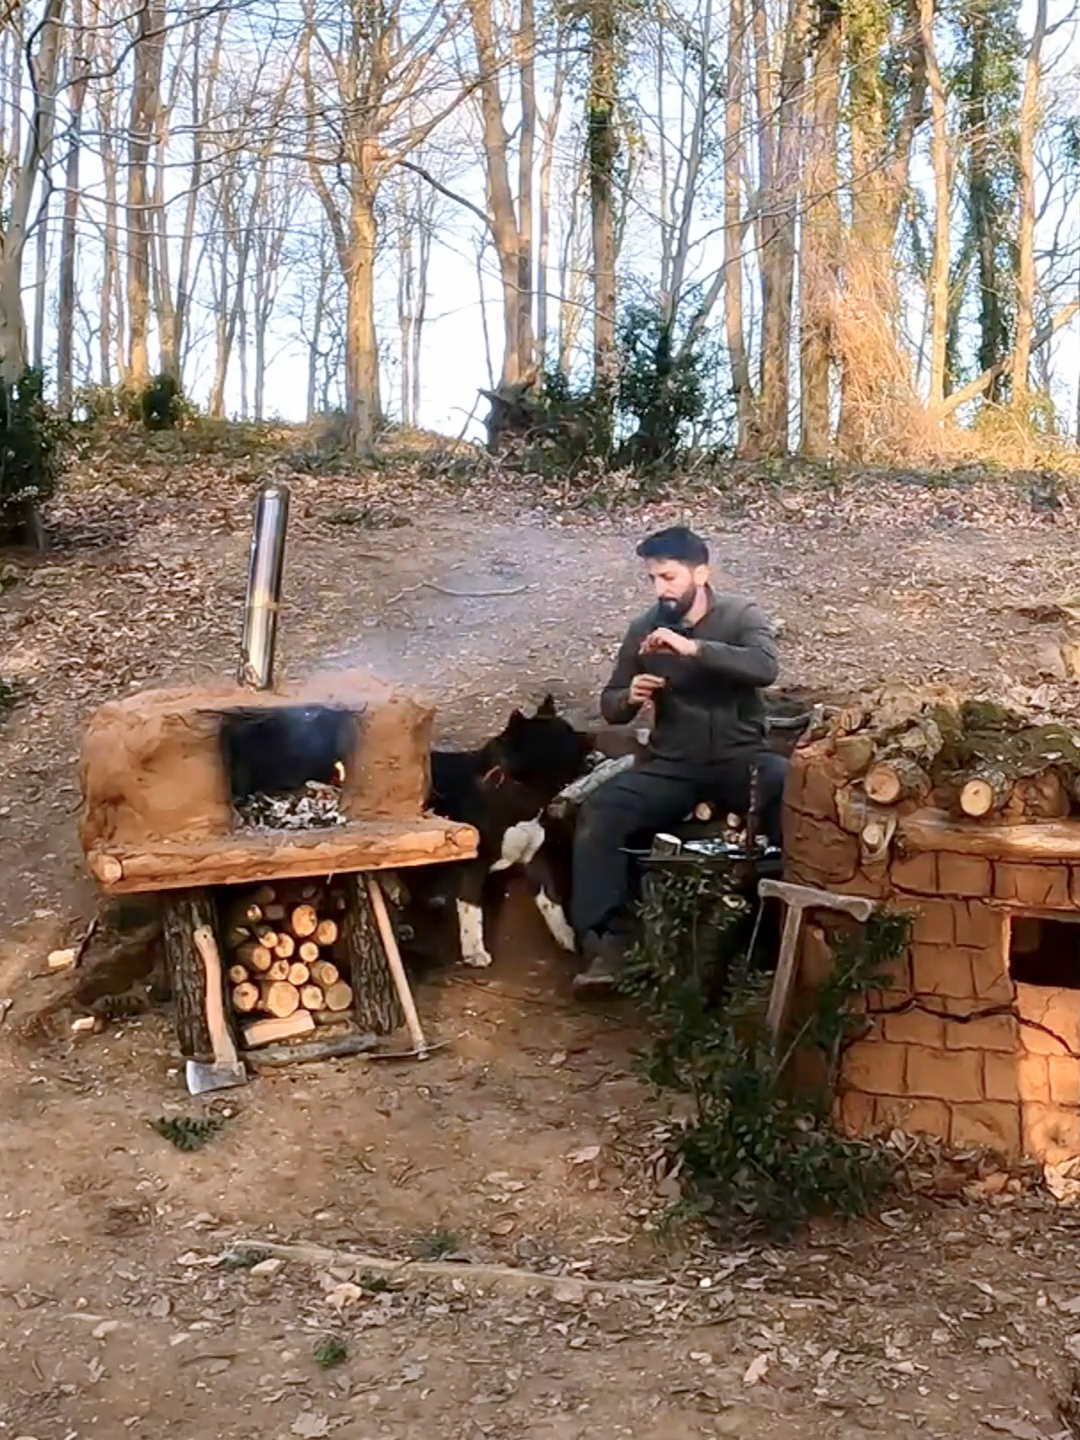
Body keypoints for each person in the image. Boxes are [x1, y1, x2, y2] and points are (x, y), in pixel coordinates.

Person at [571, 525, 786, 994]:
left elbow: (765, 667)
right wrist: (628, 696)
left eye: (668, 577)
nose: (661, 589)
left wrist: (693, 648)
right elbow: (610, 704)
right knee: (601, 812)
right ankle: (610, 944)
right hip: (674, 765)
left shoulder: (740, 615)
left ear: (701, 573)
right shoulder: (644, 628)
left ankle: (782, 936)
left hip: (740, 758)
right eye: (653, 579)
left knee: (791, 790)